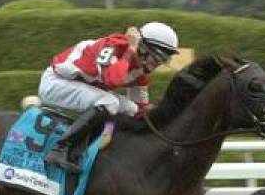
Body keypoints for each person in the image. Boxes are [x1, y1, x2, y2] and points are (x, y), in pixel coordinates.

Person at [39, 21, 180, 172]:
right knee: (109, 102)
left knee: (131, 108)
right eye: (156, 58)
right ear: (143, 48)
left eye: (162, 61)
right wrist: (130, 50)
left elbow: (140, 109)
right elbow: (111, 78)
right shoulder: (112, 45)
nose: (156, 65)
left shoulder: (141, 73)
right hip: (56, 83)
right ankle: (59, 149)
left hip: (81, 87)